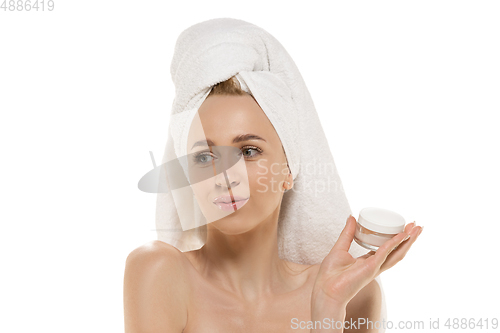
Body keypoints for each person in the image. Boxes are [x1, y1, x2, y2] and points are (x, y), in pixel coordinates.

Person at [123, 76, 423, 332]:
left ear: (288, 172)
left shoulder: (354, 296)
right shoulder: (158, 271)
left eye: (249, 151)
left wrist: (327, 310)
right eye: (204, 157)